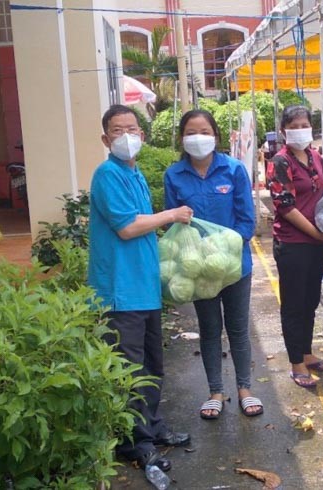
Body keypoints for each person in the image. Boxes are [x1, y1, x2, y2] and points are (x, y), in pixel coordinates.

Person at [88, 105, 193, 472]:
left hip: (144, 289)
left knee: (152, 366)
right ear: (106, 139)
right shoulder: (107, 175)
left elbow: (144, 228)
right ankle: (137, 444)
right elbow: (128, 228)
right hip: (120, 292)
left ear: (143, 136)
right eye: (117, 131)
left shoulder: (133, 174)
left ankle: (152, 427)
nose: (126, 136)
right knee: (131, 371)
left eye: (131, 129)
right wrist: (173, 214)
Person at [164, 110, 261, 419]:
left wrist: (228, 250)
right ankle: (215, 392)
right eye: (191, 131)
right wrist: (195, 258)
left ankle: (245, 388)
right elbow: (174, 224)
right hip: (198, 271)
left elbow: (247, 220)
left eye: (204, 131)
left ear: (215, 135)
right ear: (182, 138)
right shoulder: (174, 175)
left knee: (238, 329)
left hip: (234, 267)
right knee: (209, 330)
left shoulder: (233, 170)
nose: (198, 137)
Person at [266, 105, 323, 388]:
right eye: (293, 125)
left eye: (304, 124)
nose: (300, 129)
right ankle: (296, 362)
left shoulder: (315, 156)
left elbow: (320, 189)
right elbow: (285, 206)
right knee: (294, 304)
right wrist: (317, 234)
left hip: (317, 242)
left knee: (311, 301)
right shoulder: (280, 162)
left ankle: (307, 354)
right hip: (294, 243)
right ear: (284, 131)